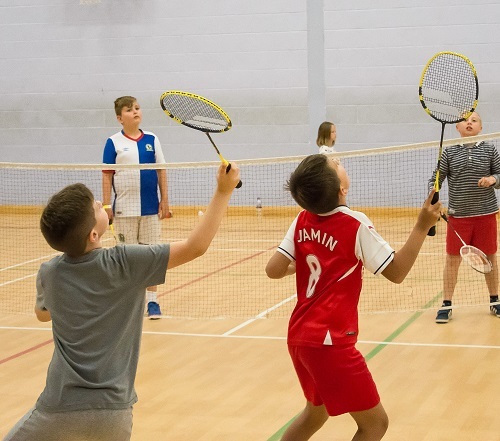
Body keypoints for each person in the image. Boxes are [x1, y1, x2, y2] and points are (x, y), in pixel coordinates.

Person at [2, 163, 240, 441]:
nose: (102, 202)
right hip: (113, 414)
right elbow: (195, 247)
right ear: (93, 235)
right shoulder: (126, 263)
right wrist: (224, 191)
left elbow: (43, 314)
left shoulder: (50, 273)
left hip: (57, 409)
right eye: (96, 206)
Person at [265, 154, 441, 441]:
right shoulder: (354, 223)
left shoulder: (301, 219)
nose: (339, 161)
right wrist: (422, 226)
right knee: (375, 424)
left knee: (315, 413)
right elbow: (396, 272)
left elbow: (274, 269)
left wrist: (315, 259)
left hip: (299, 337)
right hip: (330, 343)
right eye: (336, 165)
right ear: (341, 190)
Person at [102, 95, 171, 319]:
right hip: (124, 209)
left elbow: (161, 171)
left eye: (138, 108)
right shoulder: (113, 142)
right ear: (120, 118)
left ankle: (152, 302)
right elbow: (106, 175)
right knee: (126, 259)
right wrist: (105, 205)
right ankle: (129, 301)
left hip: (151, 209)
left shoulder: (152, 139)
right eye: (130, 110)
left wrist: (165, 201)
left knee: (151, 257)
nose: (136, 112)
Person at [429, 111, 500, 323]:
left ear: (480, 128)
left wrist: (492, 179)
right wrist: (434, 200)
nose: (469, 123)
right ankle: (446, 304)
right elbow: (436, 180)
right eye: (464, 120)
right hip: (458, 217)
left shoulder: (489, 149)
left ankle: (495, 301)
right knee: (452, 261)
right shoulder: (449, 152)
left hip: (485, 214)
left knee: (490, 259)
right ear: (457, 128)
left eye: (474, 120)